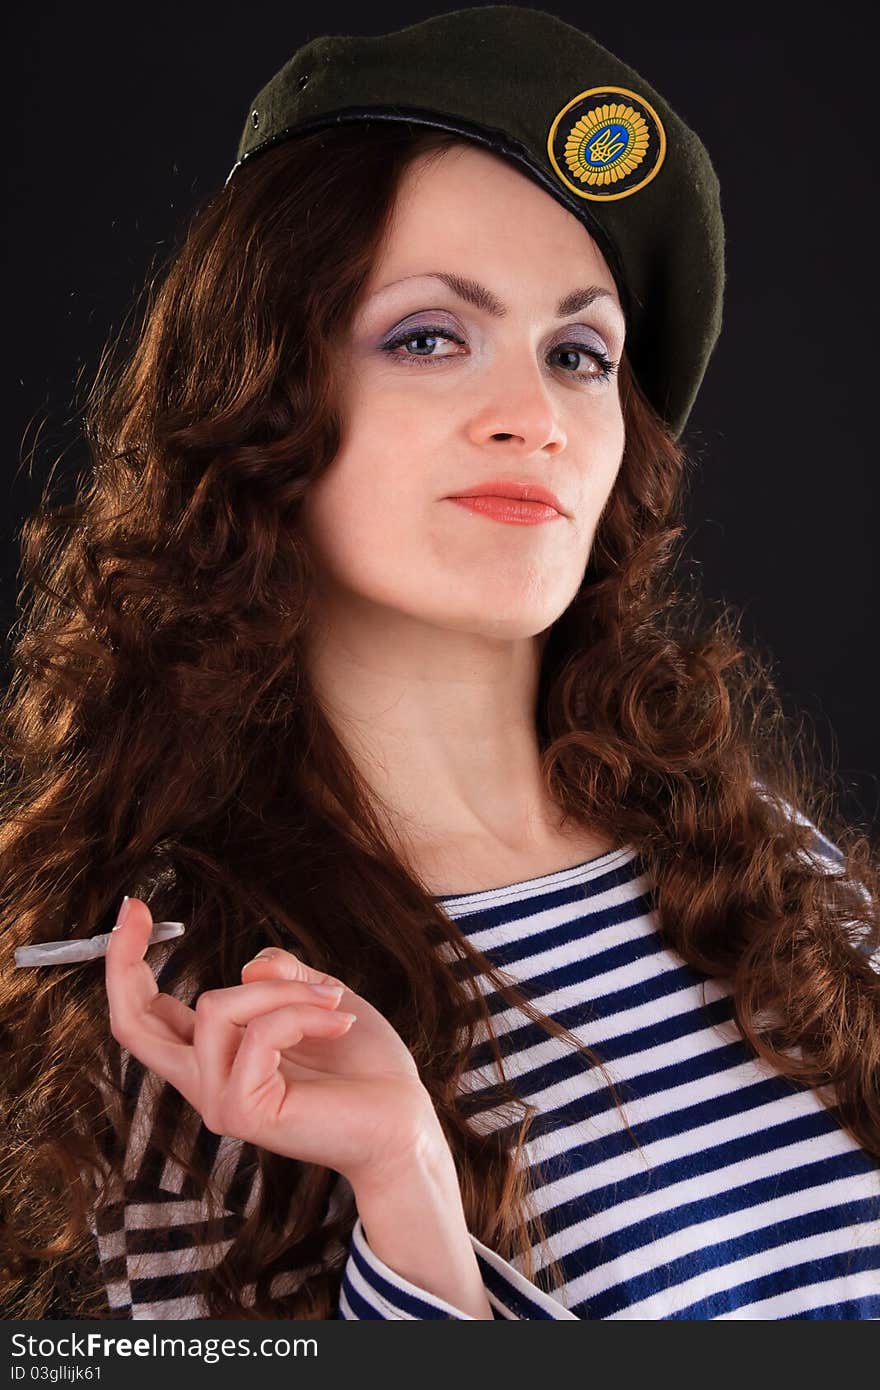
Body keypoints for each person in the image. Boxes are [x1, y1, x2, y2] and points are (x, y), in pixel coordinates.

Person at [1, 6, 879, 1321]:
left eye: (580, 354)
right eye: (429, 335)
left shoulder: (779, 875)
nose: (535, 417)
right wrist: (408, 1199)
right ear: (268, 398)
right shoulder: (201, 999)